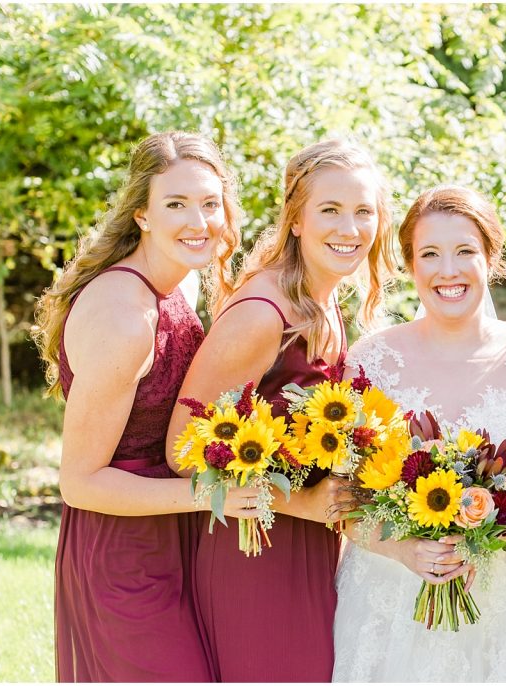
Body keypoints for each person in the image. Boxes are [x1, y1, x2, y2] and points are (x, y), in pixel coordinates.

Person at [32, 131, 261, 681]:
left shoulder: (176, 288)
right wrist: (214, 495)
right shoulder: (123, 315)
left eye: (209, 204)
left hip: (175, 533)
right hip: (120, 550)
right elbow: (79, 481)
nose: (198, 220)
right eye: (176, 204)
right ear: (142, 215)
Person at [167, 139, 397, 682]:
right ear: (295, 220)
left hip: (306, 542)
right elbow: (182, 448)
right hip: (252, 549)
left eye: (364, 211)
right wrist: (302, 503)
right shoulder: (262, 313)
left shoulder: (323, 301)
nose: (350, 228)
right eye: (330, 210)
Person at [331, 185, 506, 681]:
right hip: (390, 605)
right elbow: (342, 501)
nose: (449, 270)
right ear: (410, 265)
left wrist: (484, 534)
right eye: (430, 254)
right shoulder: (370, 361)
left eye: (465, 251)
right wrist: (403, 548)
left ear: (491, 258)